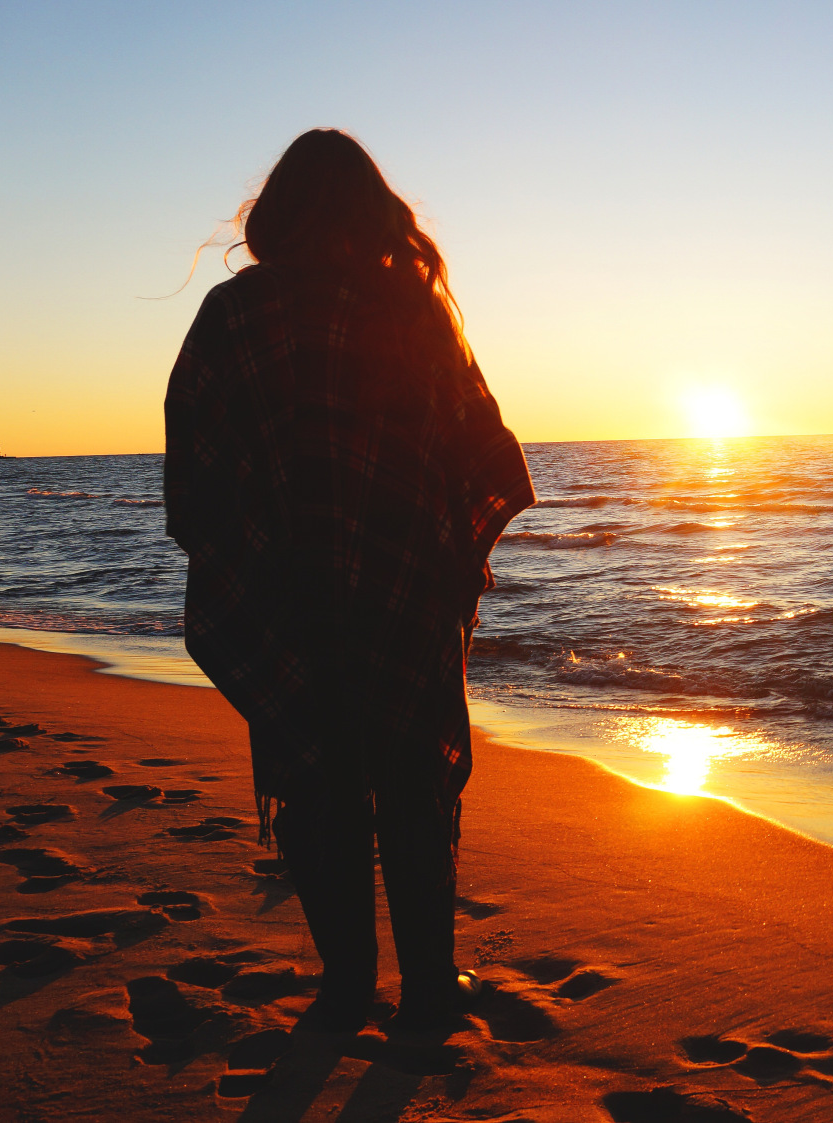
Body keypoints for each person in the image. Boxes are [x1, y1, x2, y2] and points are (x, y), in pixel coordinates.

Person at [163, 128, 535, 1031]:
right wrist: (447, 562)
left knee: (310, 768)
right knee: (412, 776)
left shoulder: (231, 316)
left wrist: (251, 560)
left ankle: (343, 984)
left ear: (277, 214)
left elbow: (197, 476)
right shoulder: (409, 309)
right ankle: (428, 990)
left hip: (285, 601)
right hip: (402, 593)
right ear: (376, 212)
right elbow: (482, 454)